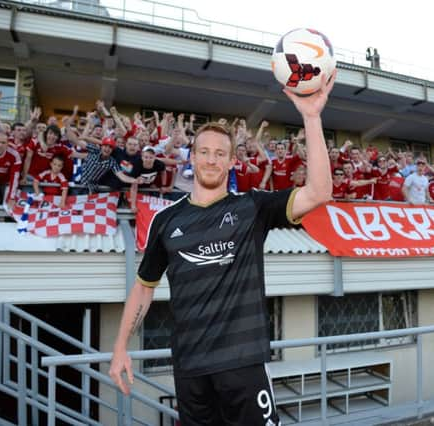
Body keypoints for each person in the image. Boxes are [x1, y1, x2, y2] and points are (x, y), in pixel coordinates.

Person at [109, 70, 336, 426]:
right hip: (190, 370)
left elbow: (320, 192)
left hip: (243, 366)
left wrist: (311, 116)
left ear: (232, 161)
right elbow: (143, 288)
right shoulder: (165, 221)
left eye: (220, 153)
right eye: (204, 152)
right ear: (192, 158)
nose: (211, 160)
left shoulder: (253, 207)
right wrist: (121, 347)